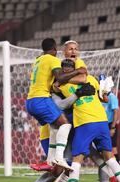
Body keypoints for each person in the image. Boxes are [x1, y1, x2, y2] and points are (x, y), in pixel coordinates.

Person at [31, 59, 120, 182]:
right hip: (64, 131)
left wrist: (101, 94)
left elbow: (98, 96)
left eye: (70, 70)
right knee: (64, 165)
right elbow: (60, 105)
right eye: (64, 70)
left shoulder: (81, 81)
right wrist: (77, 94)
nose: (67, 72)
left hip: (80, 126)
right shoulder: (56, 87)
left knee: (87, 160)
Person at [57, 62, 120, 182]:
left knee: (77, 160)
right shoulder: (92, 79)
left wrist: (61, 79)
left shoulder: (63, 85)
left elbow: (62, 96)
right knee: (110, 157)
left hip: (85, 122)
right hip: (101, 121)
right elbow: (103, 97)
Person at [25, 38, 87, 171]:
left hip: (30, 101)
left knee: (54, 127)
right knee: (65, 124)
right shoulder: (51, 59)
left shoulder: (38, 60)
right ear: (54, 48)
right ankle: (58, 157)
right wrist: (77, 71)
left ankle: (49, 161)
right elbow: (60, 77)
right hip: (41, 98)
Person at [101, 82, 120, 174]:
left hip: (109, 124)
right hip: (102, 124)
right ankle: (109, 169)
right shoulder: (100, 96)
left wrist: (113, 127)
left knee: (113, 147)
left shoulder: (112, 97)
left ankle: (118, 166)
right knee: (103, 148)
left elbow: (116, 112)